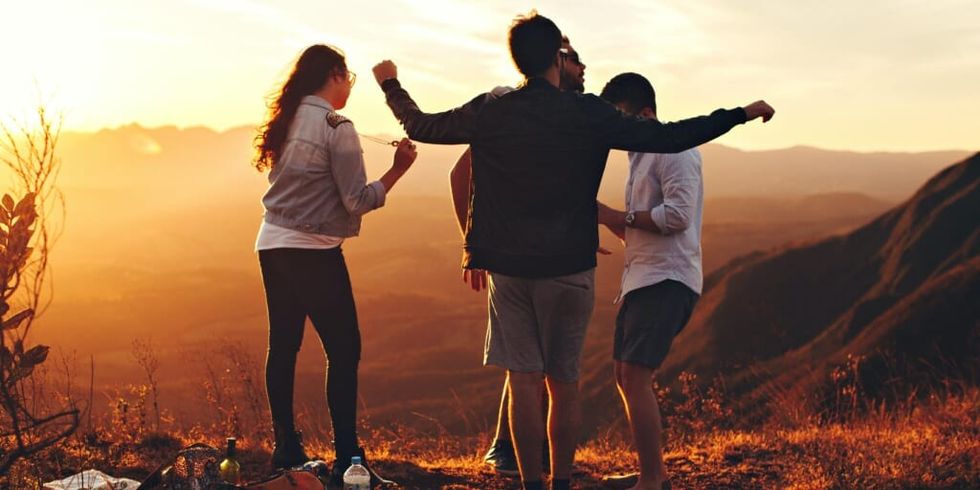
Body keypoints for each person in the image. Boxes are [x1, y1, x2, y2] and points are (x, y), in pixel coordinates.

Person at [374, 12, 774, 490]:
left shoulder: (493, 109)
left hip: (509, 267)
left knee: (523, 383)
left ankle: (532, 485)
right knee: (563, 384)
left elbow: (423, 126)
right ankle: (561, 482)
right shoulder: (588, 112)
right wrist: (741, 113)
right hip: (569, 266)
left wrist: (391, 85)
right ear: (557, 57)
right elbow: (670, 136)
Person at [253, 44, 416, 487]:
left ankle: (286, 447)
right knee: (344, 350)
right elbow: (357, 200)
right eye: (349, 79)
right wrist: (398, 169)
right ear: (335, 75)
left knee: (284, 346)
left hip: (271, 242)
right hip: (314, 251)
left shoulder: (288, 119)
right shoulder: (337, 126)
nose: (349, 88)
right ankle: (348, 458)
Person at [450, 36, 588, 478]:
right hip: (519, 258)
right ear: (555, 61)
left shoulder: (560, 117)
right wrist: (473, 244)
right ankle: (512, 452)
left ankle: (521, 456)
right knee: (531, 367)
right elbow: (461, 173)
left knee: (530, 364)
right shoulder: (509, 107)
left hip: (542, 254)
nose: (585, 69)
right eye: (575, 59)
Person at [595, 73, 705, 490]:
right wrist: (612, 225)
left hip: (667, 278)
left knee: (636, 374)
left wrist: (613, 216)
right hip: (642, 277)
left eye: (620, 118)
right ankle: (650, 472)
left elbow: (677, 216)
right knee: (626, 374)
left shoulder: (673, 150)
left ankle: (652, 480)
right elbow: (642, 222)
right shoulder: (639, 155)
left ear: (644, 113)